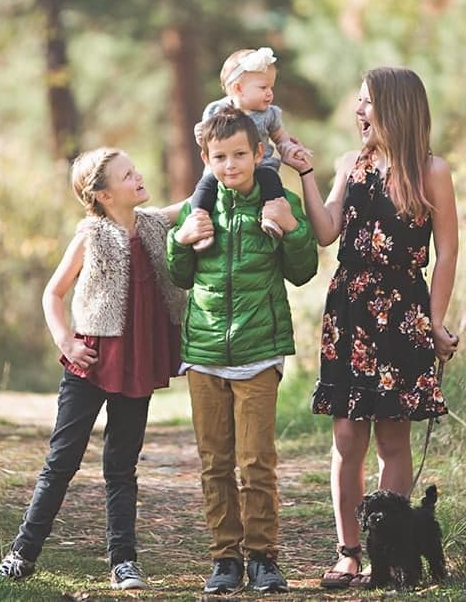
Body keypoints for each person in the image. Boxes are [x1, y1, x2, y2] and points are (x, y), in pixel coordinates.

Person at [280, 67, 460, 589]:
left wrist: (435, 321)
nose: (357, 111)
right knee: (346, 436)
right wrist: (306, 175)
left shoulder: (431, 171)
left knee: (393, 440)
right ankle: (349, 553)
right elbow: (327, 230)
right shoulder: (348, 165)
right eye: (357, 102)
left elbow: (446, 250)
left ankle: (393, 555)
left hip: (404, 313)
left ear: (396, 108)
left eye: (366, 103)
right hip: (351, 311)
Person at [0, 148, 186, 591]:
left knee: (121, 464)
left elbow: (192, 202)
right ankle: (21, 555)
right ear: (106, 195)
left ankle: (123, 561)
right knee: (62, 461)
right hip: (89, 362)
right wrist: (66, 341)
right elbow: (52, 294)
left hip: (136, 361)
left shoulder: (152, 225)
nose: (139, 176)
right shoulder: (90, 236)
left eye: (136, 169)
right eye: (129, 175)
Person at [167, 106, 318, 594]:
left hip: (259, 351)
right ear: (206, 158)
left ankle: (263, 558)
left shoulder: (276, 201)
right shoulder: (199, 209)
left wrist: (291, 228)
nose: (230, 165)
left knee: (256, 462)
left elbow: (302, 271)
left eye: (238, 155)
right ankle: (225, 559)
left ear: (258, 153)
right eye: (219, 157)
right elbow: (180, 276)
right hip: (205, 353)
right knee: (214, 462)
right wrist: (180, 241)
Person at [186, 47, 311, 251]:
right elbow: (208, 141)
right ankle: (200, 221)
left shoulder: (270, 114)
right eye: (263, 87)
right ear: (238, 88)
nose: (270, 93)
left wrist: (289, 146)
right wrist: (200, 134)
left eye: (271, 87)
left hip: (260, 166)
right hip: (222, 169)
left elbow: (280, 137)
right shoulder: (216, 111)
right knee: (205, 185)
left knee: (271, 181)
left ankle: (272, 217)